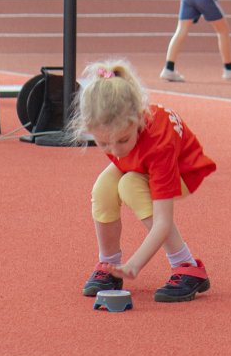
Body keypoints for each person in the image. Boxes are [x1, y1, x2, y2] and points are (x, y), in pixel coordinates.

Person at [74, 60, 218, 303]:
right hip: (141, 161)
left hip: (183, 171)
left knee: (129, 185)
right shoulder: (114, 130)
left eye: (122, 140)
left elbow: (163, 221)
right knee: (103, 188)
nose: (115, 151)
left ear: (138, 119)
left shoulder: (159, 143)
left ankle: (187, 266)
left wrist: (135, 264)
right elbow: (122, 152)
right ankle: (108, 266)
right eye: (104, 144)